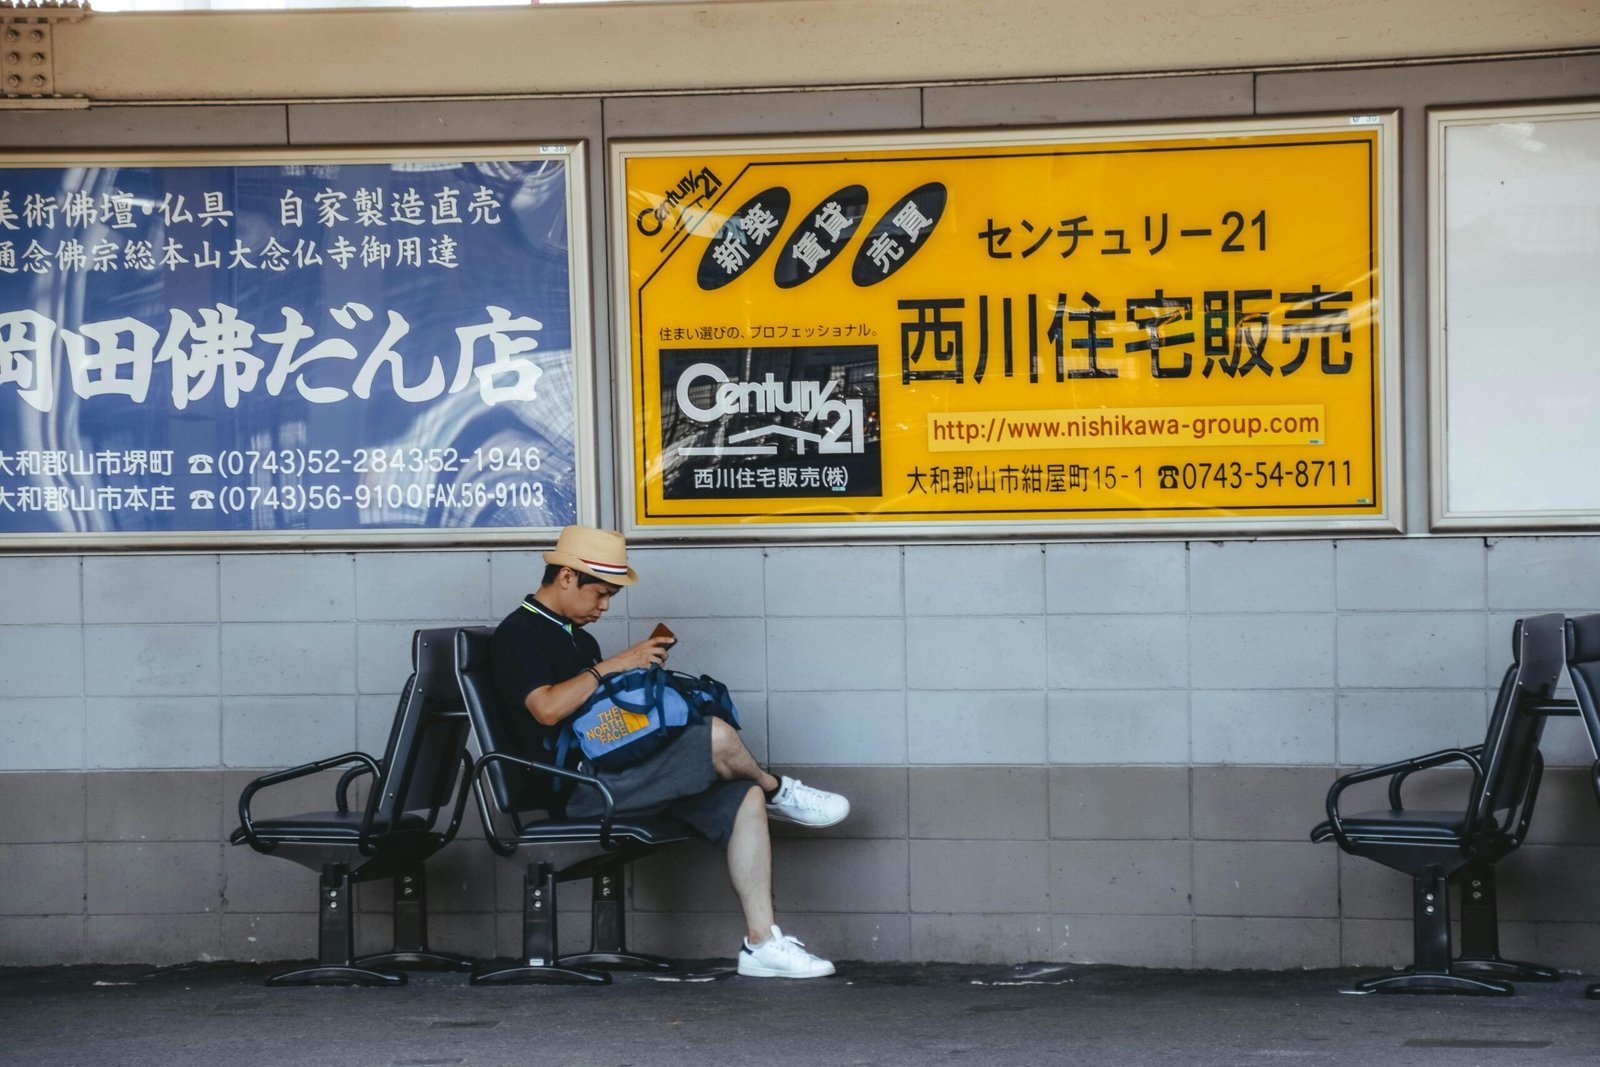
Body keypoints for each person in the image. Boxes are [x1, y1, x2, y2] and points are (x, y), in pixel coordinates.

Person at [489, 524, 851, 979]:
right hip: (579, 787)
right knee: (716, 736)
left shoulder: (577, 637)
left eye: (609, 598)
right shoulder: (519, 634)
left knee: (743, 799)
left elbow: (597, 715)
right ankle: (778, 789)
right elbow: (545, 709)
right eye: (599, 594)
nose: (603, 607)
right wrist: (616, 664)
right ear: (565, 577)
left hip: (617, 769)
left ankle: (762, 945)